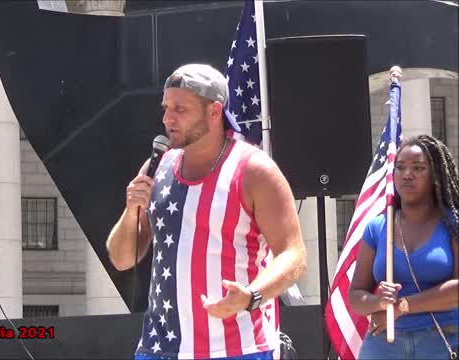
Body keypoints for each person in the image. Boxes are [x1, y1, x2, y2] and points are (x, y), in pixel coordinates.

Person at [106, 63, 307, 360]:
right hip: (160, 348)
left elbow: (294, 255)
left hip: (238, 349)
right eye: (165, 107)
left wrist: (250, 296)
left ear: (214, 112)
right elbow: (122, 259)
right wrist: (131, 209)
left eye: (180, 109)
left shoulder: (254, 170)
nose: (167, 118)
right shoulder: (157, 166)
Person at [349, 134, 459, 359]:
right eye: (400, 167)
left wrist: (400, 307)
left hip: (442, 340)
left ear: (435, 175)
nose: (407, 175)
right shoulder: (378, 227)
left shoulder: (453, 223)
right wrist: (377, 302)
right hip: (383, 342)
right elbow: (355, 296)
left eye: (418, 168)